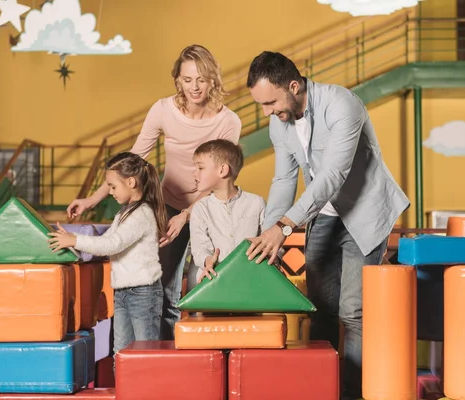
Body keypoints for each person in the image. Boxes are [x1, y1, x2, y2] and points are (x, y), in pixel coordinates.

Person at [244, 51, 409, 400]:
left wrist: (286, 227)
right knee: (318, 307)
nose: (267, 112)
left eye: (270, 102)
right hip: (324, 215)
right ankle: (325, 389)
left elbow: (333, 174)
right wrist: (269, 231)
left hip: (365, 213)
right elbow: (284, 179)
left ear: (293, 85)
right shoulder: (279, 122)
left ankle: (353, 393)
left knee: (353, 311)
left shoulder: (342, 104)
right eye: (261, 105)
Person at [66, 45, 242, 340]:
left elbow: (217, 181)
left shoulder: (228, 121)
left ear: (213, 79)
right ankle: (163, 359)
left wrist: (188, 215)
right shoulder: (164, 110)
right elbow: (131, 161)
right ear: (177, 80)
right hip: (169, 206)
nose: (194, 87)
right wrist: (92, 199)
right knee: (166, 289)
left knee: (201, 285)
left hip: (208, 210)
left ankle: (199, 355)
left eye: (201, 79)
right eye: (187, 80)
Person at [48, 152, 168, 359]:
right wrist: (71, 239)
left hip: (143, 294)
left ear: (131, 182)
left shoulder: (142, 213)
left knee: (145, 352)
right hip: (122, 292)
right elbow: (106, 241)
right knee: (120, 352)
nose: (110, 192)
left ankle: (146, 391)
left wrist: (74, 240)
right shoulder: (123, 213)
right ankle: (124, 390)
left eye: (113, 186)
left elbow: (113, 244)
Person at [186, 139, 266, 291]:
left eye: (200, 168)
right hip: (212, 284)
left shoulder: (257, 203)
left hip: (250, 284)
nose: (194, 173)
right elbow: (199, 247)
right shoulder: (200, 208)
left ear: (222, 170)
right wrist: (208, 260)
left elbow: (267, 241)